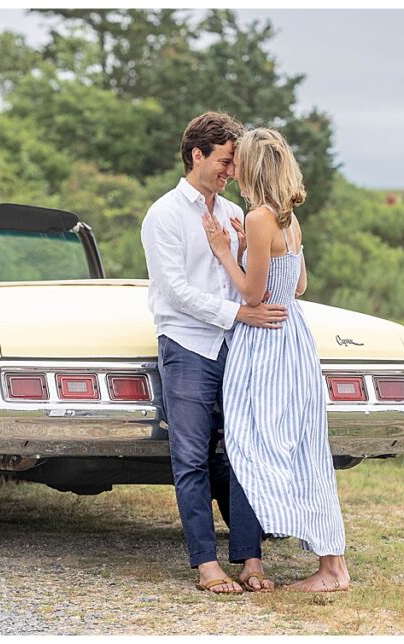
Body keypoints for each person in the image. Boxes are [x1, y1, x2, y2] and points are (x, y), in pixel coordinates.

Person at [140, 112, 288, 594]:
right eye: (224, 161)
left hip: (236, 347)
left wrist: (243, 256)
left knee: (244, 453)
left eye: (235, 163)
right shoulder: (164, 214)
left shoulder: (232, 214)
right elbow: (175, 291)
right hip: (187, 346)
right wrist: (238, 313)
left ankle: (251, 560)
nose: (231, 171)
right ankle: (206, 565)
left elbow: (245, 279)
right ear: (196, 155)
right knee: (191, 457)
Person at [200, 127, 350, 592]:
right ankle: (330, 565)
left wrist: (225, 252)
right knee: (304, 448)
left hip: (266, 341)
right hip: (294, 338)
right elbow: (298, 285)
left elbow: (252, 293)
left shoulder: (260, 217)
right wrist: (250, 249)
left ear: (252, 168)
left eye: (238, 162)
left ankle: (322, 568)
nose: (233, 169)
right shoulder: (288, 219)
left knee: (253, 441)